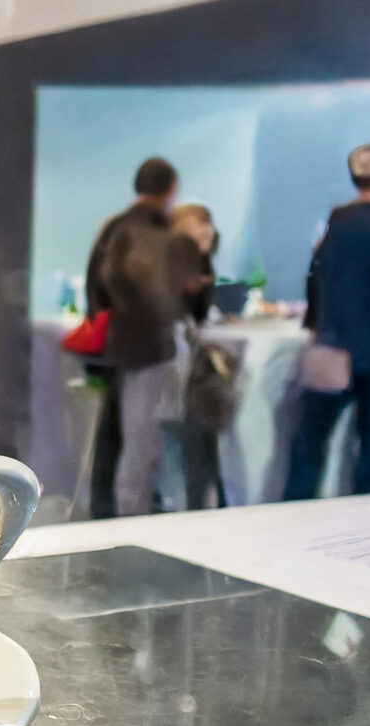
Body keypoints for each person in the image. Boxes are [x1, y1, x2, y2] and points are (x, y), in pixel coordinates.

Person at [284, 144, 370, 499]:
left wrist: (316, 328)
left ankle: (290, 522)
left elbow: (316, 283)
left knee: (309, 448)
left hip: (332, 347)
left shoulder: (334, 228)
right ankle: (362, 534)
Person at [85, 158, 179, 517]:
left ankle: (103, 506)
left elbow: (96, 283)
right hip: (146, 345)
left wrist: (103, 329)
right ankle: (132, 513)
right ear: (171, 189)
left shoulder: (115, 227)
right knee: (139, 438)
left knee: (112, 433)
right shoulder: (157, 229)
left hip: (116, 343)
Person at [167, 204, 229, 510]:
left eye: (207, 224)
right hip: (174, 365)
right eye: (197, 224)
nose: (205, 230)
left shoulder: (201, 263)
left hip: (190, 369)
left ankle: (201, 500)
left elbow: (201, 311)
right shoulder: (172, 263)